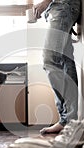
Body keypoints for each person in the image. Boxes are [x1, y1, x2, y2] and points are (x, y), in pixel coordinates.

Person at [33, 0, 81, 134]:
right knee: (66, 61)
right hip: (62, 8)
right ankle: (69, 120)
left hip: (62, 6)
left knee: (50, 60)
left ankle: (66, 119)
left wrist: (46, 2)